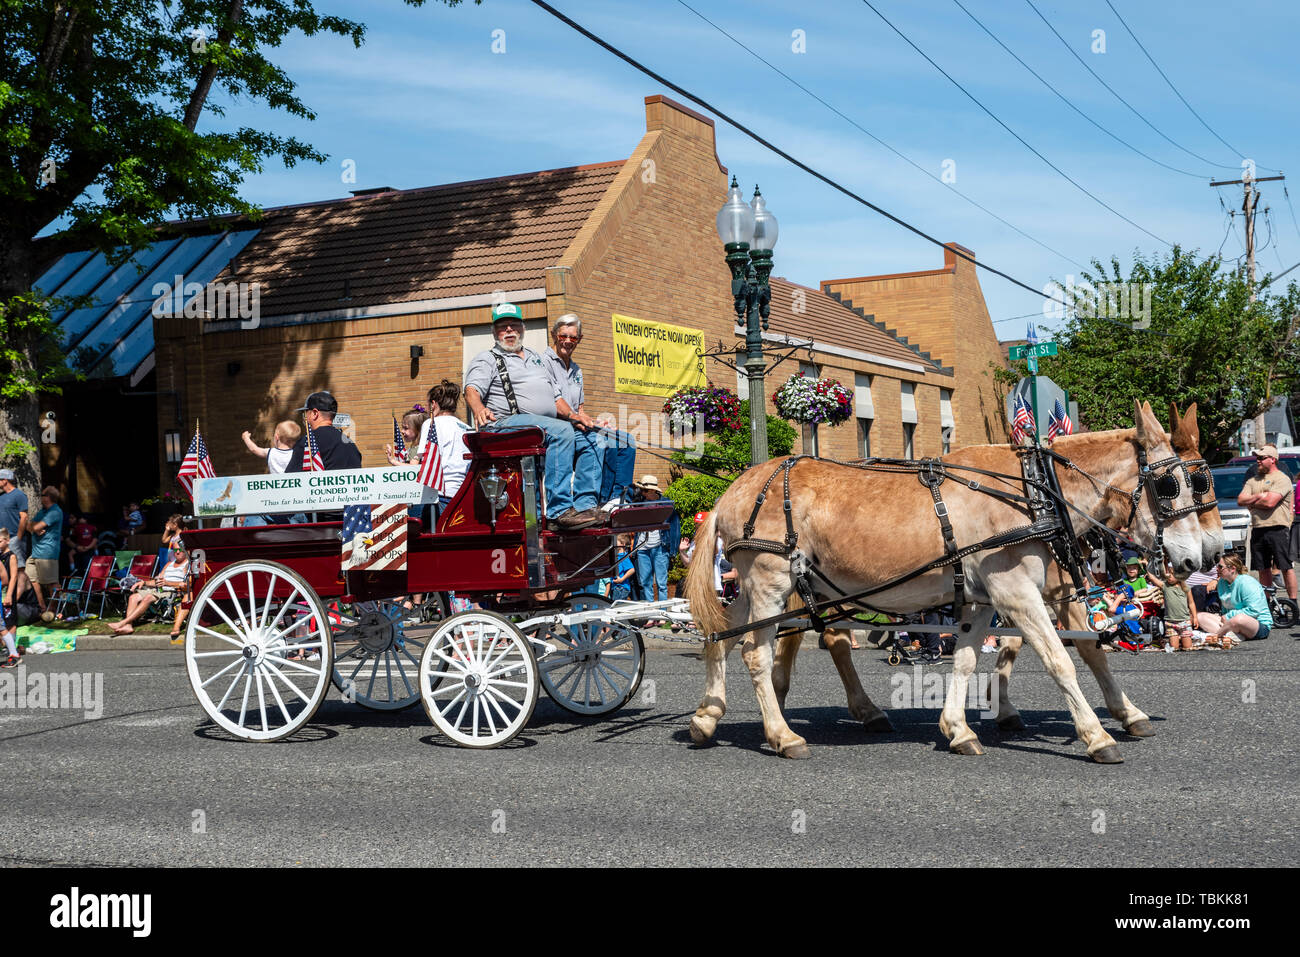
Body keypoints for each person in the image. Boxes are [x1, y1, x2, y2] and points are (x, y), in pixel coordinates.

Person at [464, 303, 601, 529]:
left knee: (592, 440)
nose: (509, 330)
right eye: (502, 327)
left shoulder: (537, 358)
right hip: (504, 424)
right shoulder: (487, 359)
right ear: (494, 332)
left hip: (541, 427)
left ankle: (586, 506)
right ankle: (559, 511)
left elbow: (557, 398)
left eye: (514, 325)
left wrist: (576, 416)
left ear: (522, 329)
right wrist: (479, 408)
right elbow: (471, 390)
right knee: (562, 430)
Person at [541, 314, 638, 508]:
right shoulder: (543, 362)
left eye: (573, 338)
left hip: (576, 425)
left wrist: (595, 422)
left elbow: (580, 410)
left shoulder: (577, 370)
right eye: (563, 336)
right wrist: (577, 418)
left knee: (626, 440)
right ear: (553, 335)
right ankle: (598, 501)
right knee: (601, 441)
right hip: (556, 429)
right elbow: (555, 401)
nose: (568, 341)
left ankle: (617, 499)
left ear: (579, 339)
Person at [1238, 443, 1298, 619]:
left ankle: (1292, 602)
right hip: (1258, 528)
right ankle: (1268, 602)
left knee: (1285, 567)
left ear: (1273, 459)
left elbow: (1270, 502)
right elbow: (1241, 499)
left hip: (1278, 528)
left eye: (1261, 458)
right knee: (1262, 568)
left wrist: (1253, 501)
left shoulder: (1282, 479)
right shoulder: (1252, 480)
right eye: (1257, 458)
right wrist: (1259, 496)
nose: (1258, 461)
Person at [415, 381, 473, 511]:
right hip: (463, 493)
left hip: (438, 494)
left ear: (434, 404)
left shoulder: (431, 423)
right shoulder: (469, 429)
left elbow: (422, 458)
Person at [109, 546, 190, 637]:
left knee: (148, 598)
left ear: (186, 551)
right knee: (133, 597)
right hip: (159, 590)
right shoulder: (169, 564)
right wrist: (143, 582)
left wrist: (168, 583)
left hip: (172, 592)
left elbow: (187, 584)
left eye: (180, 550)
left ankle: (123, 622)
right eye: (175, 550)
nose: (177, 552)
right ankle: (128, 626)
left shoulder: (187, 565)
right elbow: (156, 581)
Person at [1197, 554, 1272, 647]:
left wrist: (1229, 616)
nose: (1217, 569)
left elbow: (1254, 610)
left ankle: (1216, 637)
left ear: (1232, 569)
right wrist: (1226, 618)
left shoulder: (1247, 582)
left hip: (1258, 625)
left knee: (1238, 619)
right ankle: (1231, 636)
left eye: (1220, 567)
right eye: (1217, 566)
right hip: (1230, 623)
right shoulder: (1221, 582)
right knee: (1199, 616)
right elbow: (1225, 610)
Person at [631, 475, 681, 614]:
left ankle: (662, 613)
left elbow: (675, 527)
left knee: (661, 583)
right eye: (642, 490)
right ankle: (651, 614)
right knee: (645, 582)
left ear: (653, 491)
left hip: (660, 546)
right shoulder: (638, 503)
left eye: (645, 490)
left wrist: (673, 550)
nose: (642, 493)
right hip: (642, 547)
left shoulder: (666, 505)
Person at [27, 486, 64, 621]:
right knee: (31, 577)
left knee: (52, 583)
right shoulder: (43, 511)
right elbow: (28, 525)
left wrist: (34, 527)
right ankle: (42, 607)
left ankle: (53, 609)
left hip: (47, 553)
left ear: (48, 497)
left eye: (42, 495)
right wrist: (34, 527)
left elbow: (34, 526)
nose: (40, 497)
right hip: (35, 552)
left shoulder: (55, 511)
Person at [1146, 558, 1197, 651]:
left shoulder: (1185, 588)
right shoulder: (1165, 586)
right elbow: (1152, 578)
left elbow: (1191, 603)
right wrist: (1147, 565)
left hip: (1184, 621)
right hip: (1170, 622)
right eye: (1168, 573)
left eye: (1172, 574)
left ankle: (1182, 641)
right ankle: (1166, 642)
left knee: (1188, 648)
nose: (1169, 576)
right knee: (1174, 648)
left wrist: (1195, 617)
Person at [0, 468, 31, 607]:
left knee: (19, 570)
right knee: (5, 570)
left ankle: (14, 602)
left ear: (4, 480)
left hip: (14, 539)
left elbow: (24, 517)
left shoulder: (19, 495)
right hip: (2, 540)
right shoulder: (1, 497)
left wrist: (18, 538)